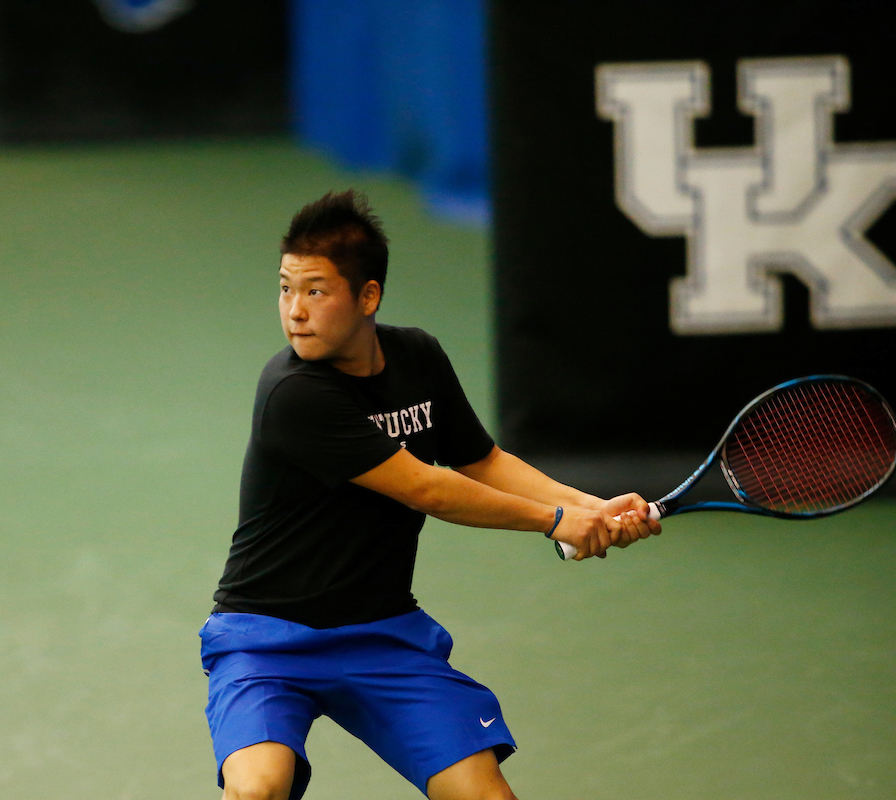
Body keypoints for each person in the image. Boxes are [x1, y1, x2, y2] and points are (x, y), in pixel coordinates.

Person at [200, 190, 661, 800]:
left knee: (486, 797)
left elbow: (482, 459)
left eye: (315, 291)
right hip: (266, 639)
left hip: (381, 634)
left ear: (369, 296)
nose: (295, 311)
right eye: (285, 288)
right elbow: (429, 488)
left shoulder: (418, 356)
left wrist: (589, 507)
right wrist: (556, 522)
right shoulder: (294, 394)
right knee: (258, 790)